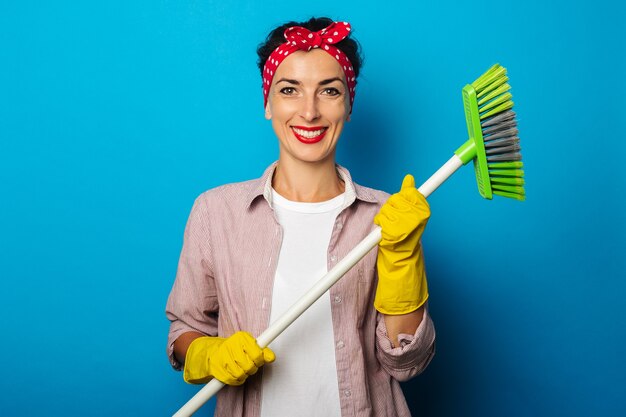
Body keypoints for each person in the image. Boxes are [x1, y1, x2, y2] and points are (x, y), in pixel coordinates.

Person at [166, 16, 436, 417]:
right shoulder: (215, 211)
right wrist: (208, 352)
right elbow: (183, 332)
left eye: (329, 90)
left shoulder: (389, 216)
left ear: (348, 105)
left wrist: (403, 258)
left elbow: (405, 363)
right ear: (268, 103)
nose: (309, 112)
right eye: (290, 89)